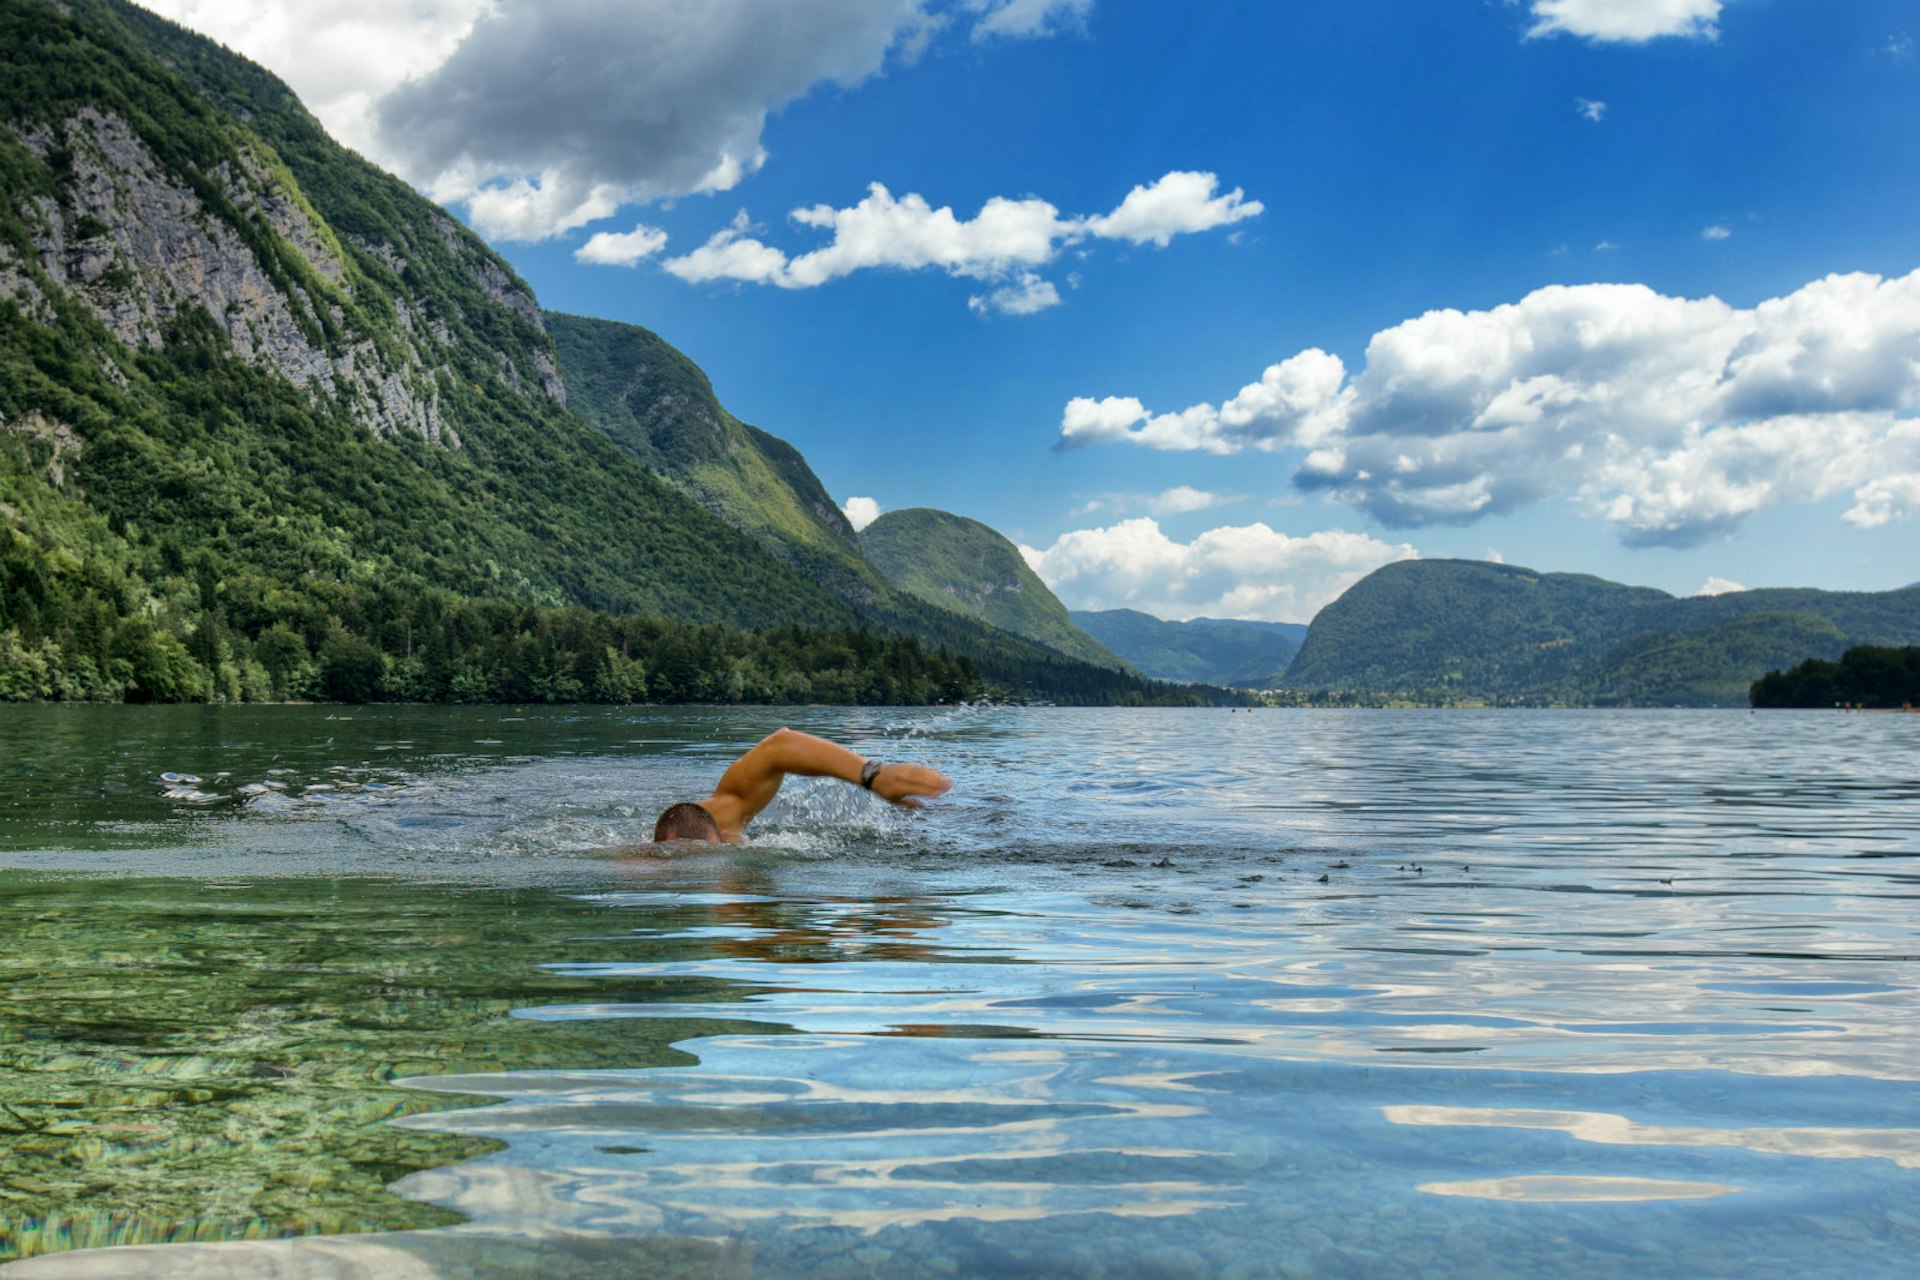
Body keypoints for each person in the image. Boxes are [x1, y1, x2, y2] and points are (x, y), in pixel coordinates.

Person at [653, 727, 951, 844]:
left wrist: (873, 775)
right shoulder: (635, 868)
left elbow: (780, 746)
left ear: (723, 834)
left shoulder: (726, 815)